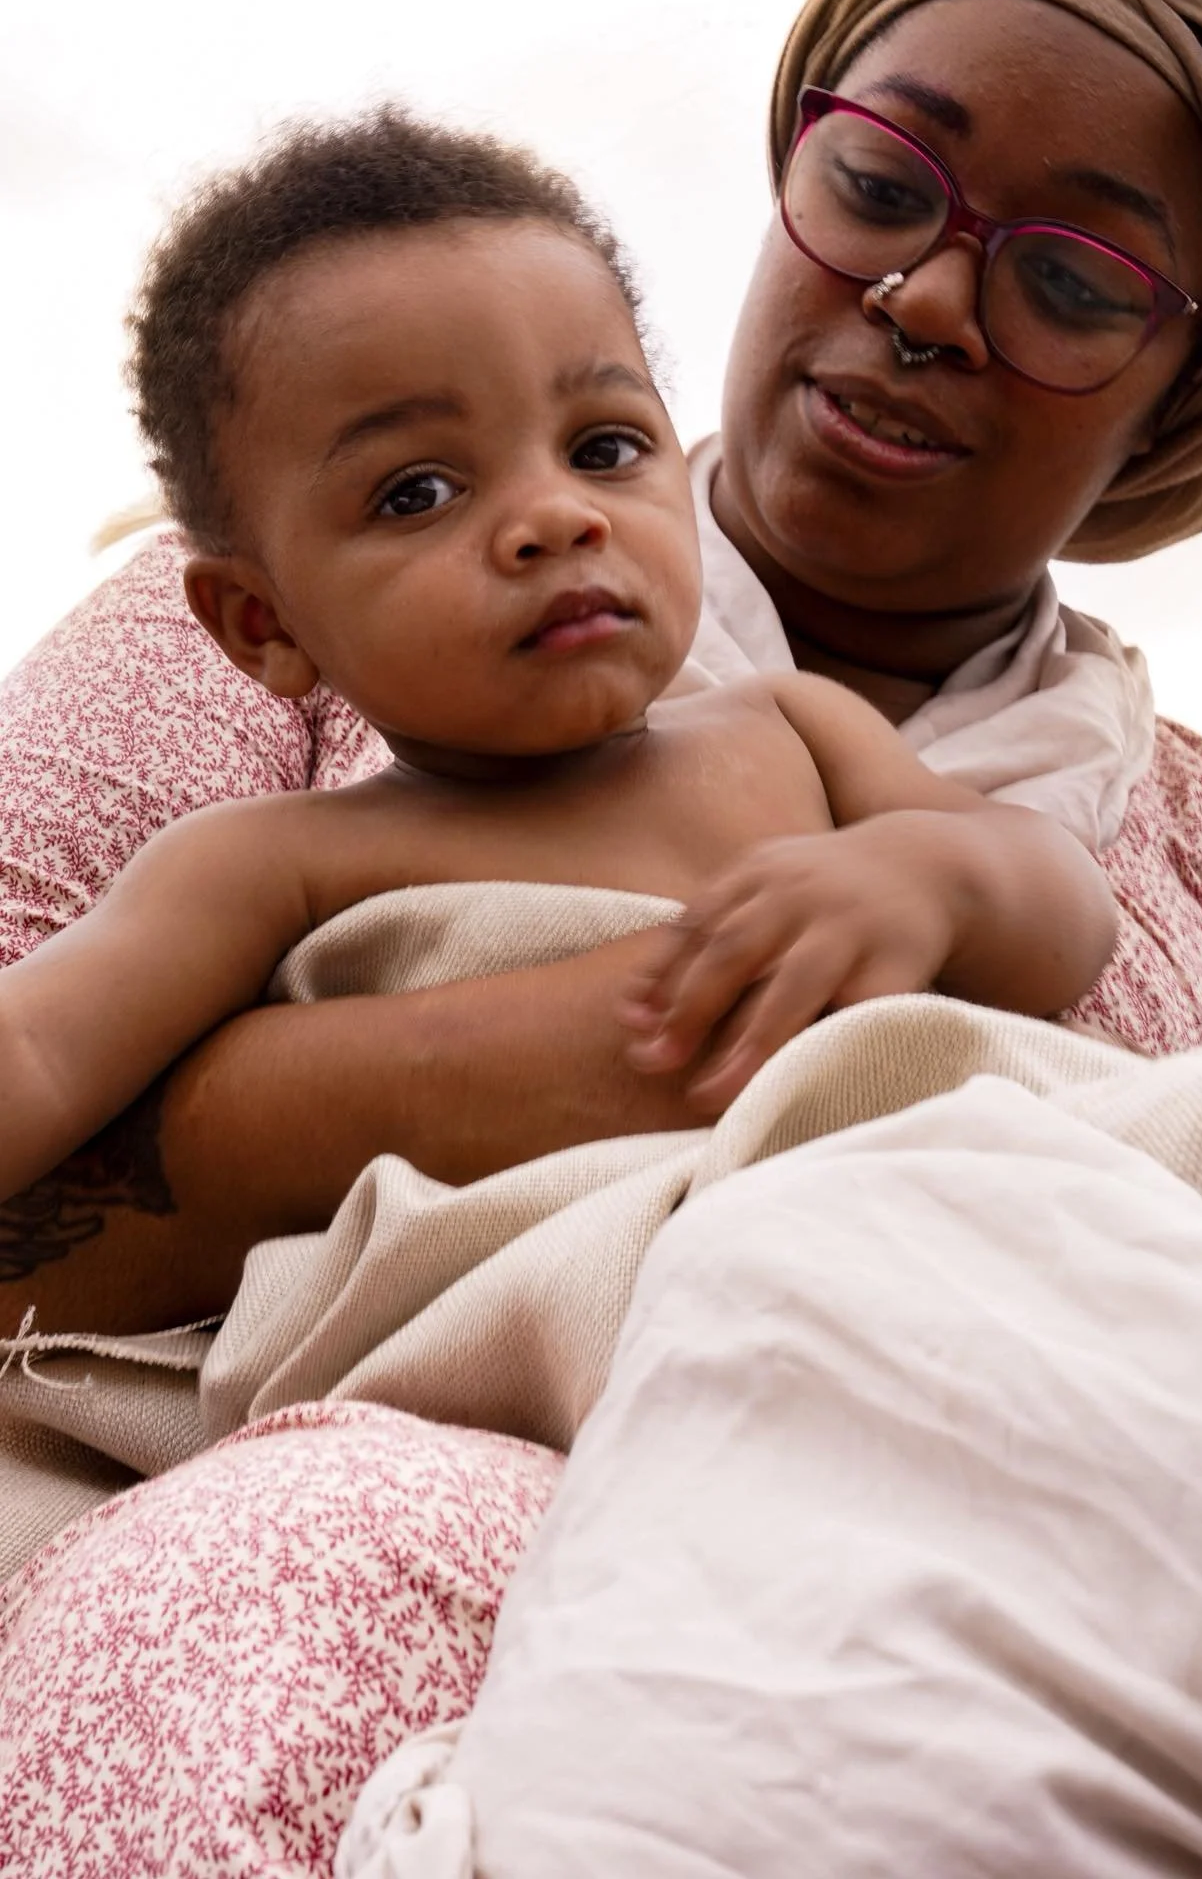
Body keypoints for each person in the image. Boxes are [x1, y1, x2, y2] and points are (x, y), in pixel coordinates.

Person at [0, 0, 1202, 1877]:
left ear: (1190, 395)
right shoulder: (254, 718)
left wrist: (925, 903)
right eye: (879, 183)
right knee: (264, 1625)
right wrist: (638, 1053)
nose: (927, 296)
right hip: (481, 1483)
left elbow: (1044, 901)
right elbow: (33, 1065)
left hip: (1082, 1503)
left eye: (1076, 278)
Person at [0, 113, 1116, 1278]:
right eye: (418, 491)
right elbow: (37, 1048)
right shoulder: (268, 861)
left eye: (602, 448)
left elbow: (1064, 916)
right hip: (581, 1328)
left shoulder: (791, 733)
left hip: (899, 1247)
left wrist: (933, 880)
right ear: (264, 624)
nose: (555, 517)